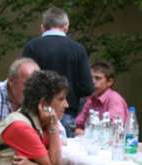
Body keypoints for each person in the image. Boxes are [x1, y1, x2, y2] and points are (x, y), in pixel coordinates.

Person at [21, 6, 93, 137]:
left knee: (36, 148)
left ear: (43, 27)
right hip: (66, 114)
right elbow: (87, 88)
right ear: (66, 26)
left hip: (37, 115)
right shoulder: (78, 49)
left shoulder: (32, 46)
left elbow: (24, 81)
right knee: (64, 149)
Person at [73, 61, 130, 135]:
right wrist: (80, 131)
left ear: (109, 82)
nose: (92, 82)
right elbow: (78, 125)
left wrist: (86, 134)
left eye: (97, 78)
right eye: (90, 78)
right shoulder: (91, 100)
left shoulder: (115, 100)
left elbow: (113, 130)